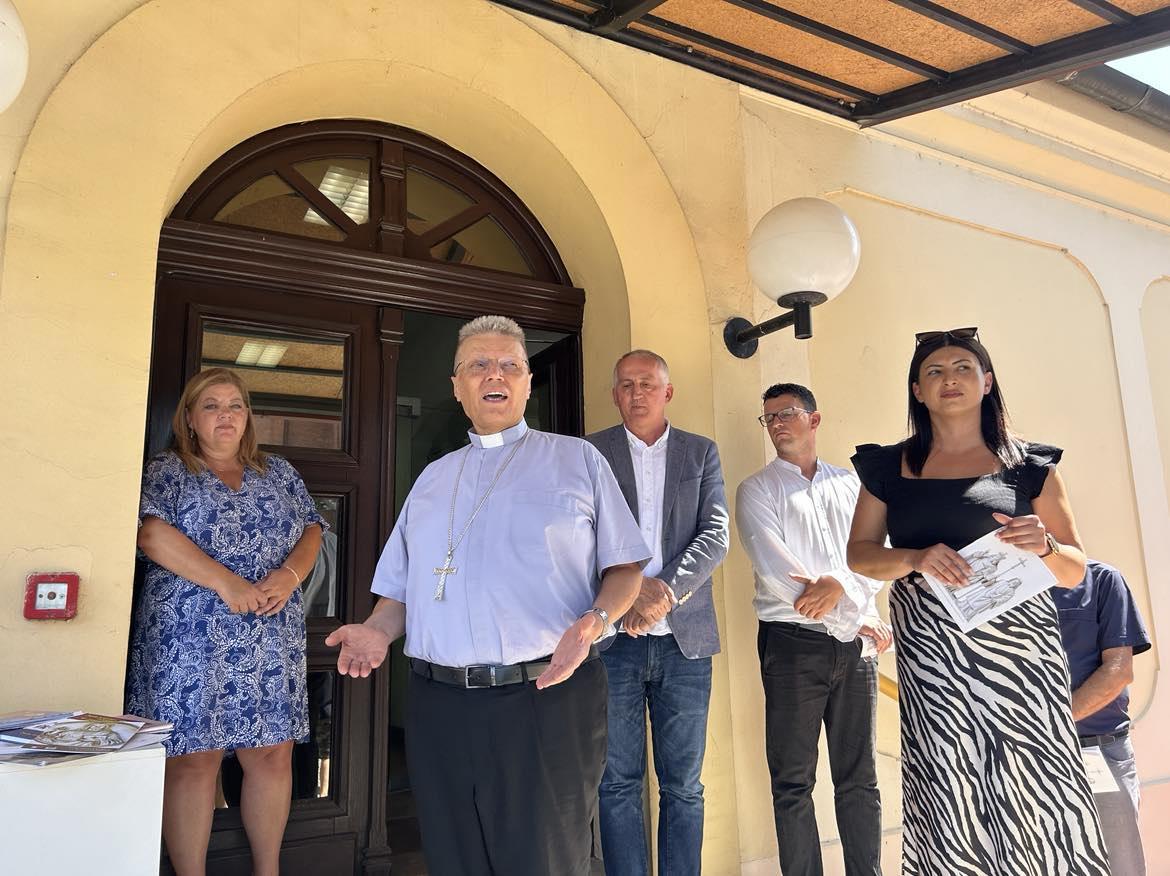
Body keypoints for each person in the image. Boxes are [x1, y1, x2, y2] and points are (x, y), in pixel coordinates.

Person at [325, 315, 650, 876]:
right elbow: (402, 589)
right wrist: (376, 631)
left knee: (543, 861)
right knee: (455, 859)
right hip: (439, 704)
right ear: (457, 386)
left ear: (527, 382)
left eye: (508, 365)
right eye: (478, 364)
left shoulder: (577, 460)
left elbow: (625, 570)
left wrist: (595, 622)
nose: (494, 374)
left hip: (544, 697)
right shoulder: (432, 479)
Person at [846, 327, 1110, 875]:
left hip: (1020, 654)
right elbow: (860, 556)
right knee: (948, 780)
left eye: (964, 368)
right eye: (935, 371)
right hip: (933, 652)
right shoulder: (887, 468)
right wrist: (915, 558)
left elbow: (1074, 568)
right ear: (917, 390)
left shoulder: (1030, 465)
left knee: (1035, 783)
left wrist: (1046, 544)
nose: (950, 379)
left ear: (987, 382)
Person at [126, 367, 324, 876]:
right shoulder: (168, 471)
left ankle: (267, 870)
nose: (225, 416)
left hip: (268, 633)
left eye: (235, 405)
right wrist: (226, 583)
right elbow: (151, 535)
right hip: (188, 636)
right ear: (190, 419)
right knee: (194, 758)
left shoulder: (277, 472)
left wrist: (289, 575)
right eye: (211, 406)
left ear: (248, 417)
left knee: (272, 753)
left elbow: (312, 530)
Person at [735, 382, 890, 876]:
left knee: (859, 778)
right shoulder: (757, 490)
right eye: (769, 417)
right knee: (793, 782)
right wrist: (854, 616)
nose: (777, 424)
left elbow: (876, 556)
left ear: (814, 419)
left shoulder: (852, 485)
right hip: (792, 646)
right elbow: (779, 575)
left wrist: (842, 586)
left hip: (856, 650)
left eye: (787, 413)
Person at [585, 350, 730, 876]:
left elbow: (715, 534)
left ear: (667, 392)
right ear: (614, 395)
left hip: (684, 643)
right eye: (626, 384)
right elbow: (579, 534)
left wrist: (663, 591)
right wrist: (631, 592)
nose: (636, 392)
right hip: (613, 643)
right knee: (616, 783)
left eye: (647, 383)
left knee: (684, 786)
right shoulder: (590, 452)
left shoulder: (700, 452)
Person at [1054, 560, 1152, 876]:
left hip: (1098, 752)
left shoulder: (1102, 580)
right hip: (1025, 758)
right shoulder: (1000, 588)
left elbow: (1118, 672)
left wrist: (1049, 727)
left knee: (1120, 866)